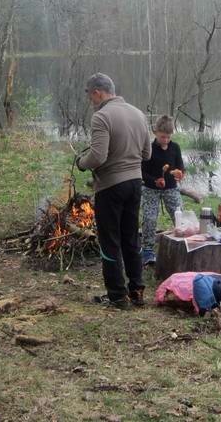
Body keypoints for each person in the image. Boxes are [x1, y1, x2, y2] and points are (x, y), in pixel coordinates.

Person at [76, 73, 152, 309]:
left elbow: (98, 156)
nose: (90, 100)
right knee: (131, 238)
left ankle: (118, 296)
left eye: (90, 95)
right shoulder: (139, 114)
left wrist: (81, 162)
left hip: (111, 186)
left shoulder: (102, 116)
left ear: (98, 92)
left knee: (110, 241)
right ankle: (137, 291)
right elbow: (147, 154)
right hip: (135, 184)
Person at [140, 115, 185, 266]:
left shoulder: (175, 147)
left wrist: (179, 173)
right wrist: (154, 180)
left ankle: (183, 244)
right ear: (155, 132)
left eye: (168, 137)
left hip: (171, 187)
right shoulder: (149, 148)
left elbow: (180, 166)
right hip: (151, 188)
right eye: (162, 137)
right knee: (150, 218)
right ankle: (147, 250)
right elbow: (142, 172)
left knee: (179, 215)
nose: (165, 140)